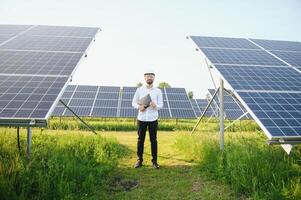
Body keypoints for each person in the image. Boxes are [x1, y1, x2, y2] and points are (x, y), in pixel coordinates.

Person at [132, 70, 163, 169]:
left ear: (154, 78)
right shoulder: (139, 90)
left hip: (153, 119)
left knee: (153, 140)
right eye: (147, 76)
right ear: (144, 78)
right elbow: (133, 102)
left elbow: (161, 105)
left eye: (151, 76)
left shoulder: (158, 91)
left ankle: (154, 162)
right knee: (140, 140)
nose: (149, 78)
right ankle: (139, 160)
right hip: (141, 118)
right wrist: (138, 107)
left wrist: (155, 105)